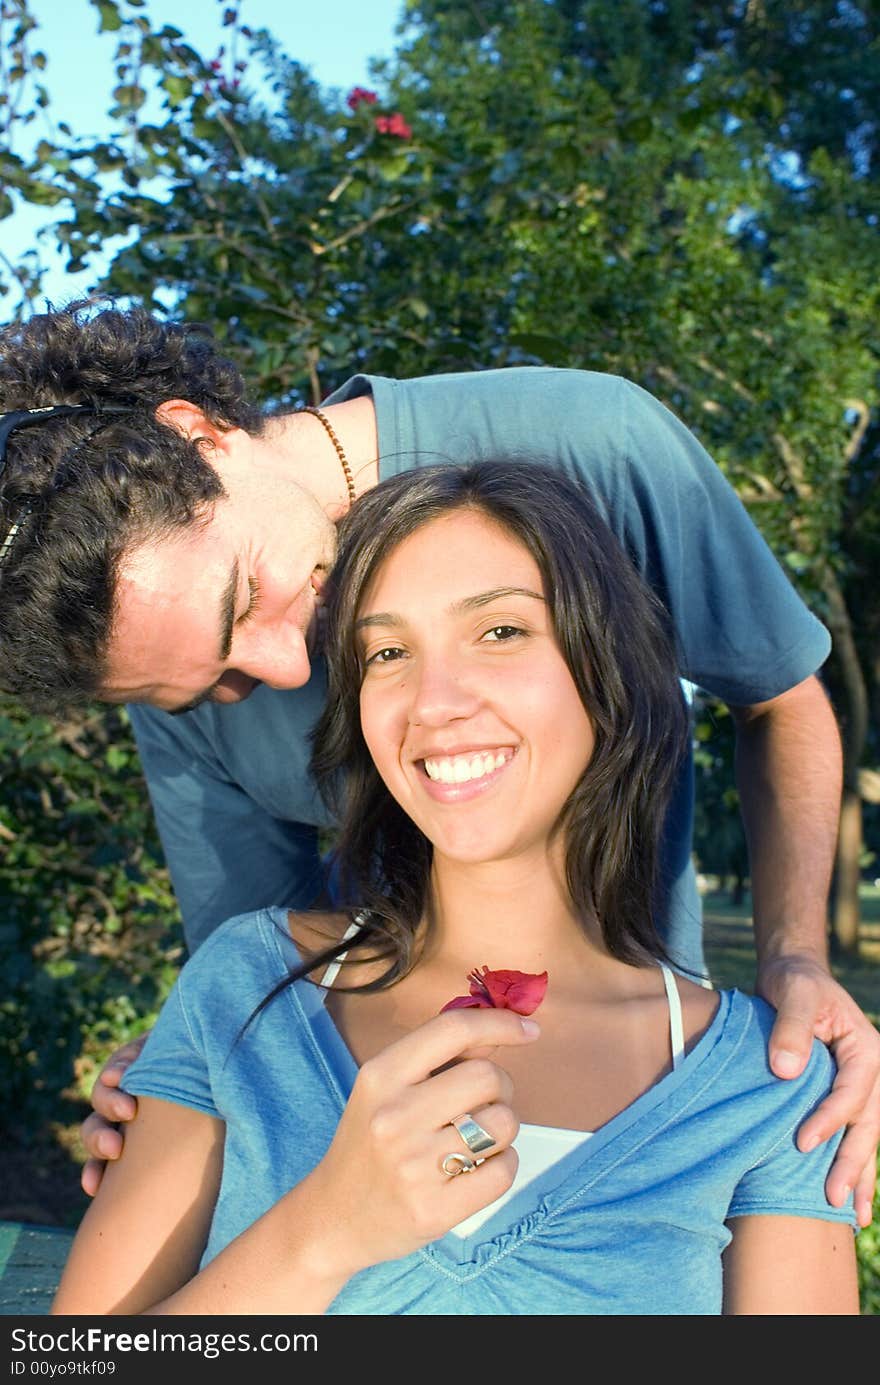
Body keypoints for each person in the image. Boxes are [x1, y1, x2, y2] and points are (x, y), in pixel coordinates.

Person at [0, 300, 877, 1229]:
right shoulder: (170, 685)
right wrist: (180, 1078)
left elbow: (779, 700)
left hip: (650, 1077)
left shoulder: (596, 445)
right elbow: (258, 989)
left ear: (199, 437)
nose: (287, 671)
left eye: (246, 599)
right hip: (374, 1131)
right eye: (211, 683)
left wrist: (793, 957)